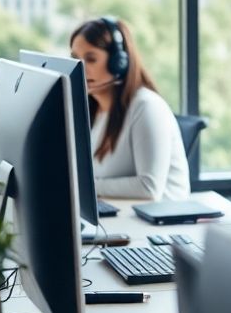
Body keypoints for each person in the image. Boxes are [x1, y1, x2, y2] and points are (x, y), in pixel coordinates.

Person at [69, 16, 189, 201]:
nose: (80, 67)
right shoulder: (92, 109)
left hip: (158, 222)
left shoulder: (147, 107)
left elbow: (149, 187)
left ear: (119, 62)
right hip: (121, 213)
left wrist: (79, 186)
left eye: (91, 59)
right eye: (76, 59)